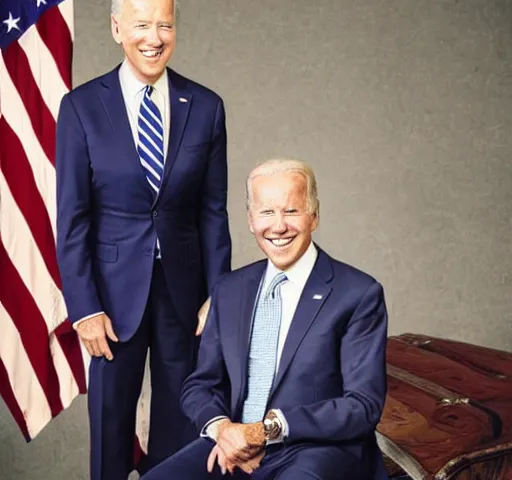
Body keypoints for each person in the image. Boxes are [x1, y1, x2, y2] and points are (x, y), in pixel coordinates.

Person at [55, 0, 231, 480]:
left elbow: (212, 213)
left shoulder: (206, 107)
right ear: (116, 28)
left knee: (183, 431)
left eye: (165, 24)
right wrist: (83, 307)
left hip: (186, 299)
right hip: (109, 302)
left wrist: (217, 295)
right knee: (111, 434)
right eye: (141, 24)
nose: (154, 37)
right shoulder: (82, 108)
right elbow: (72, 219)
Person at [142, 159, 389, 480]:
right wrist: (224, 430)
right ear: (250, 220)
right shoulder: (229, 289)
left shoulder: (358, 293)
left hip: (316, 449)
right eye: (267, 212)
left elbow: (362, 406)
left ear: (314, 215)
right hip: (231, 443)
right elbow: (201, 384)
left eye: (291, 211)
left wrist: (264, 431)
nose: (278, 225)